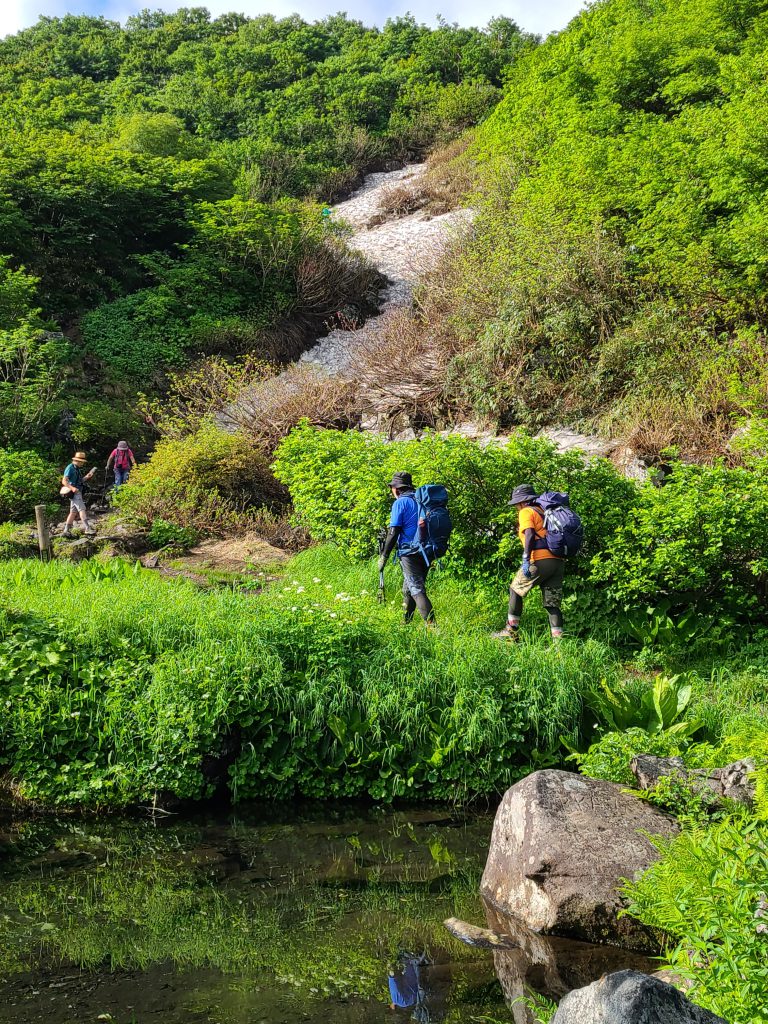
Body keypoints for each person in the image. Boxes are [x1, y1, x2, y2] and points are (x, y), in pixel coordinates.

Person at [493, 483, 564, 641]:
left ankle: (511, 633)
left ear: (521, 502)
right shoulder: (544, 512)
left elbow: (530, 534)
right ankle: (559, 645)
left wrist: (526, 559)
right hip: (557, 562)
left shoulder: (526, 511)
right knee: (552, 604)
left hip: (539, 561)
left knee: (515, 590)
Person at [378, 472, 435, 625]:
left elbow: (393, 531)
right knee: (408, 589)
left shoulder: (400, 503)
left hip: (410, 552)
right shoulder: (422, 499)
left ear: (396, 489)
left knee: (416, 590)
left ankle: (434, 628)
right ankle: (406, 624)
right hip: (428, 551)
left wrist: (384, 556)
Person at [61, 451, 96, 537]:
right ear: (77, 461)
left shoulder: (76, 469)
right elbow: (64, 481)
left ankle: (66, 530)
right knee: (82, 509)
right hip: (75, 492)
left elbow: (80, 481)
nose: (82, 464)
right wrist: (72, 488)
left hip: (77, 491)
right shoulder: (70, 468)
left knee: (73, 512)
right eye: (82, 462)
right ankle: (87, 528)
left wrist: (87, 477)